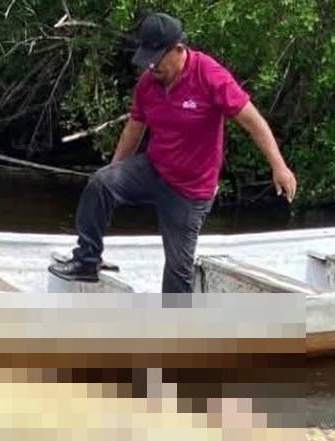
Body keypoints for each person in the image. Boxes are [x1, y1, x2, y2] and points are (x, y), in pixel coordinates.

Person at [49, 12, 298, 293]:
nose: (151, 66)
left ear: (179, 50)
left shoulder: (209, 76)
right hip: (155, 169)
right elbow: (135, 128)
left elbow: (253, 121)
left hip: (190, 191)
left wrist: (279, 166)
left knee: (178, 272)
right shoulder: (148, 83)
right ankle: (86, 261)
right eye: (147, 58)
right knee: (100, 183)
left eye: (157, 58)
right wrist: (114, 172)